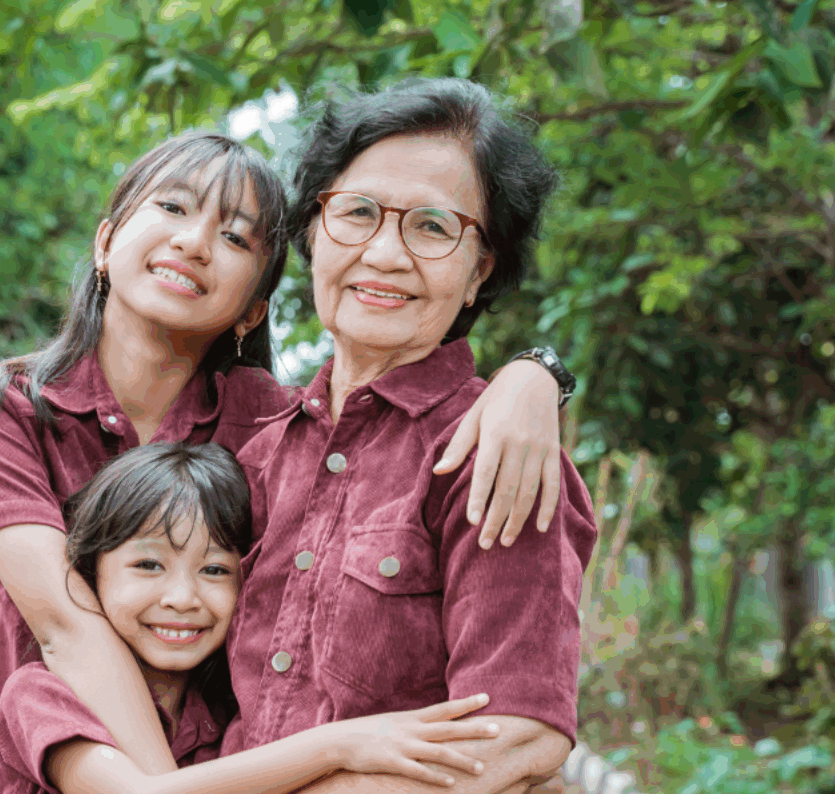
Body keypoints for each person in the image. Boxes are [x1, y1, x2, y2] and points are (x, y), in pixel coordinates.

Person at [0, 130, 575, 794]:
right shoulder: (4, 405)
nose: (194, 243)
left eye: (237, 237)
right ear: (104, 242)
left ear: (254, 308)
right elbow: (68, 626)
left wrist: (534, 376)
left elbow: (516, 733)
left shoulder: (274, 427)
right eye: (173, 207)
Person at [221, 78, 598, 794]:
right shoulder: (257, 451)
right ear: (313, 231)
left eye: (431, 227)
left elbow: (513, 735)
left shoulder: (492, 454)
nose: (385, 254)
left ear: (479, 270)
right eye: (358, 212)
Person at [0, 442, 500, 794]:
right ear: (92, 572)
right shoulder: (41, 695)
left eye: (215, 569)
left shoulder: (232, 713)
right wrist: (339, 745)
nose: (183, 598)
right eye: (148, 565)